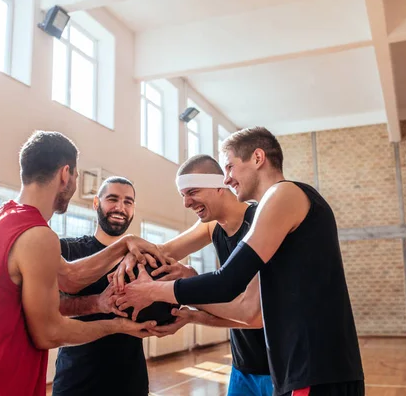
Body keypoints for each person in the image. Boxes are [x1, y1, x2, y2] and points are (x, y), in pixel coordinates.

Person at [116, 127, 365, 396]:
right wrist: (126, 248)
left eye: (230, 167)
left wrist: (153, 290)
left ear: (258, 158)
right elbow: (173, 255)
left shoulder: (284, 195)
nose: (228, 179)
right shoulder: (276, 204)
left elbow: (230, 284)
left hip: (313, 367)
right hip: (305, 368)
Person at [0, 131, 162, 396]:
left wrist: (123, 249)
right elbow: (49, 333)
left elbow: (69, 275)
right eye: (77, 177)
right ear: (65, 174)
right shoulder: (38, 236)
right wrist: (119, 326)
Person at [140, 154, 273, 396]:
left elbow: (253, 316)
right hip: (243, 365)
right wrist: (126, 254)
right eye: (183, 195)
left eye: (192, 192)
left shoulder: (261, 221)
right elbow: (163, 252)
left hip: (279, 366)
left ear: (219, 185)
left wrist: (186, 288)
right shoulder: (212, 226)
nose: (186, 203)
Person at [52, 176, 152, 396]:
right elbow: (50, 306)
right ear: (96, 203)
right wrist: (97, 304)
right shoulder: (68, 251)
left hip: (129, 381)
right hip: (76, 379)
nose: (120, 207)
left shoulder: (143, 260)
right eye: (112, 199)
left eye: (128, 202)